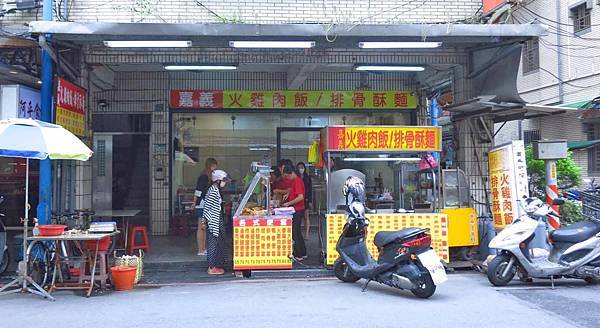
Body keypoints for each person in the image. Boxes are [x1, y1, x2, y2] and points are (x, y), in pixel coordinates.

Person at [203, 169, 229, 275]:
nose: (225, 182)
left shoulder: (215, 190)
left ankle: (216, 265)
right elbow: (207, 207)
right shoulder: (213, 191)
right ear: (217, 181)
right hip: (213, 221)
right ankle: (212, 267)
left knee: (218, 242)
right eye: (223, 180)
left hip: (216, 219)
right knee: (213, 244)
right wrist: (204, 221)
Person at [192, 158, 218, 256]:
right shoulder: (204, 177)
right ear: (210, 166)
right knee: (201, 227)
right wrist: (194, 202)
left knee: (204, 227)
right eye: (214, 166)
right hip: (202, 204)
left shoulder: (209, 177)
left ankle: (204, 249)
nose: (215, 168)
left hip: (205, 204)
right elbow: (198, 191)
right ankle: (201, 250)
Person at [281, 164, 307, 260]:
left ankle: (299, 254)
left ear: (291, 173)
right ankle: (303, 253)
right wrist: (288, 194)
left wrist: (288, 203)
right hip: (296, 209)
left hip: (297, 210)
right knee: (297, 232)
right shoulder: (295, 181)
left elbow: (300, 197)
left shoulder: (297, 181)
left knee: (295, 232)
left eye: (287, 176)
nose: (287, 178)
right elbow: (294, 191)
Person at [296, 162, 312, 239]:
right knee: (299, 217)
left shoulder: (307, 177)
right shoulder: (296, 178)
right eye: (299, 167)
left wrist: (310, 201)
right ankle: (299, 233)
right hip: (297, 199)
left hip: (306, 199)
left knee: (306, 217)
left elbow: (310, 190)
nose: (301, 169)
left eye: (302, 167)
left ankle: (307, 234)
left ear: (304, 168)